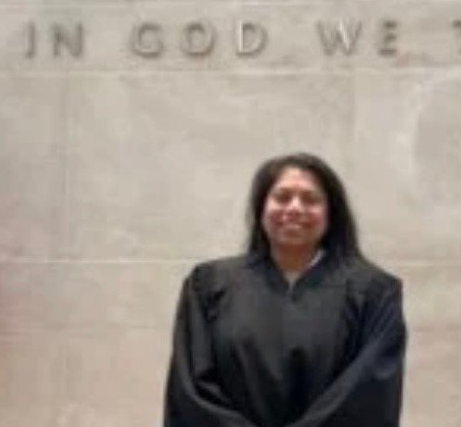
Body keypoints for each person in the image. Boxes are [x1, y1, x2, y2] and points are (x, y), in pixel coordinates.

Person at [163, 152, 407, 427]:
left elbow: (369, 393)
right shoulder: (209, 286)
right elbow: (192, 391)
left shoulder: (374, 293)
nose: (294, 208)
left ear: (331, 213)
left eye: (310, 199)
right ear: (261, 207)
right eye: (282, 197)